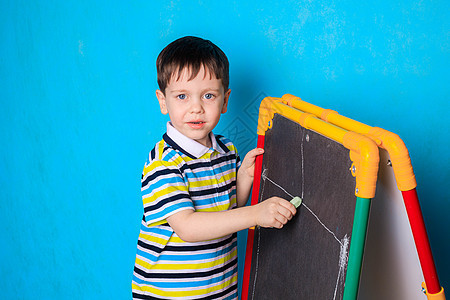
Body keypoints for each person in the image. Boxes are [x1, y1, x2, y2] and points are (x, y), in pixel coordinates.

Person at [132, 36, 296, 300]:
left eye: (208, 96)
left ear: (225, 100)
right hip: (170, 294)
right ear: (163, 101)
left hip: (218, 290)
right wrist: (256, 214)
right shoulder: (164, 163)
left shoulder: (226, 149)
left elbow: (228, 207)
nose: (196, 108)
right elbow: (189, 227)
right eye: (182, 96)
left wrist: (243, 178)